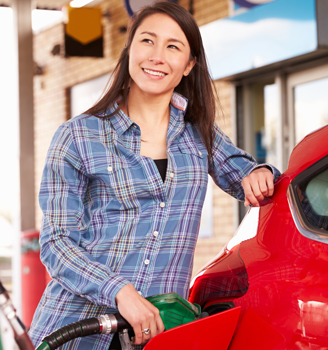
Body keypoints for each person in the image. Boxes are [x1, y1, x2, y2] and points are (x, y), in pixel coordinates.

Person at [29, 2, 280, 349]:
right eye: (147, 41)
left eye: (173, 46)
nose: (157, 56)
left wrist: (260, 172)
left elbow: (249, 176)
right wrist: (118, 290)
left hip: (157, 335)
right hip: (78, 327)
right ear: (130, 49)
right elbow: (57, 242)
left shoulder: (199, 134)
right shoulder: (78, 136)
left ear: (189, 64)